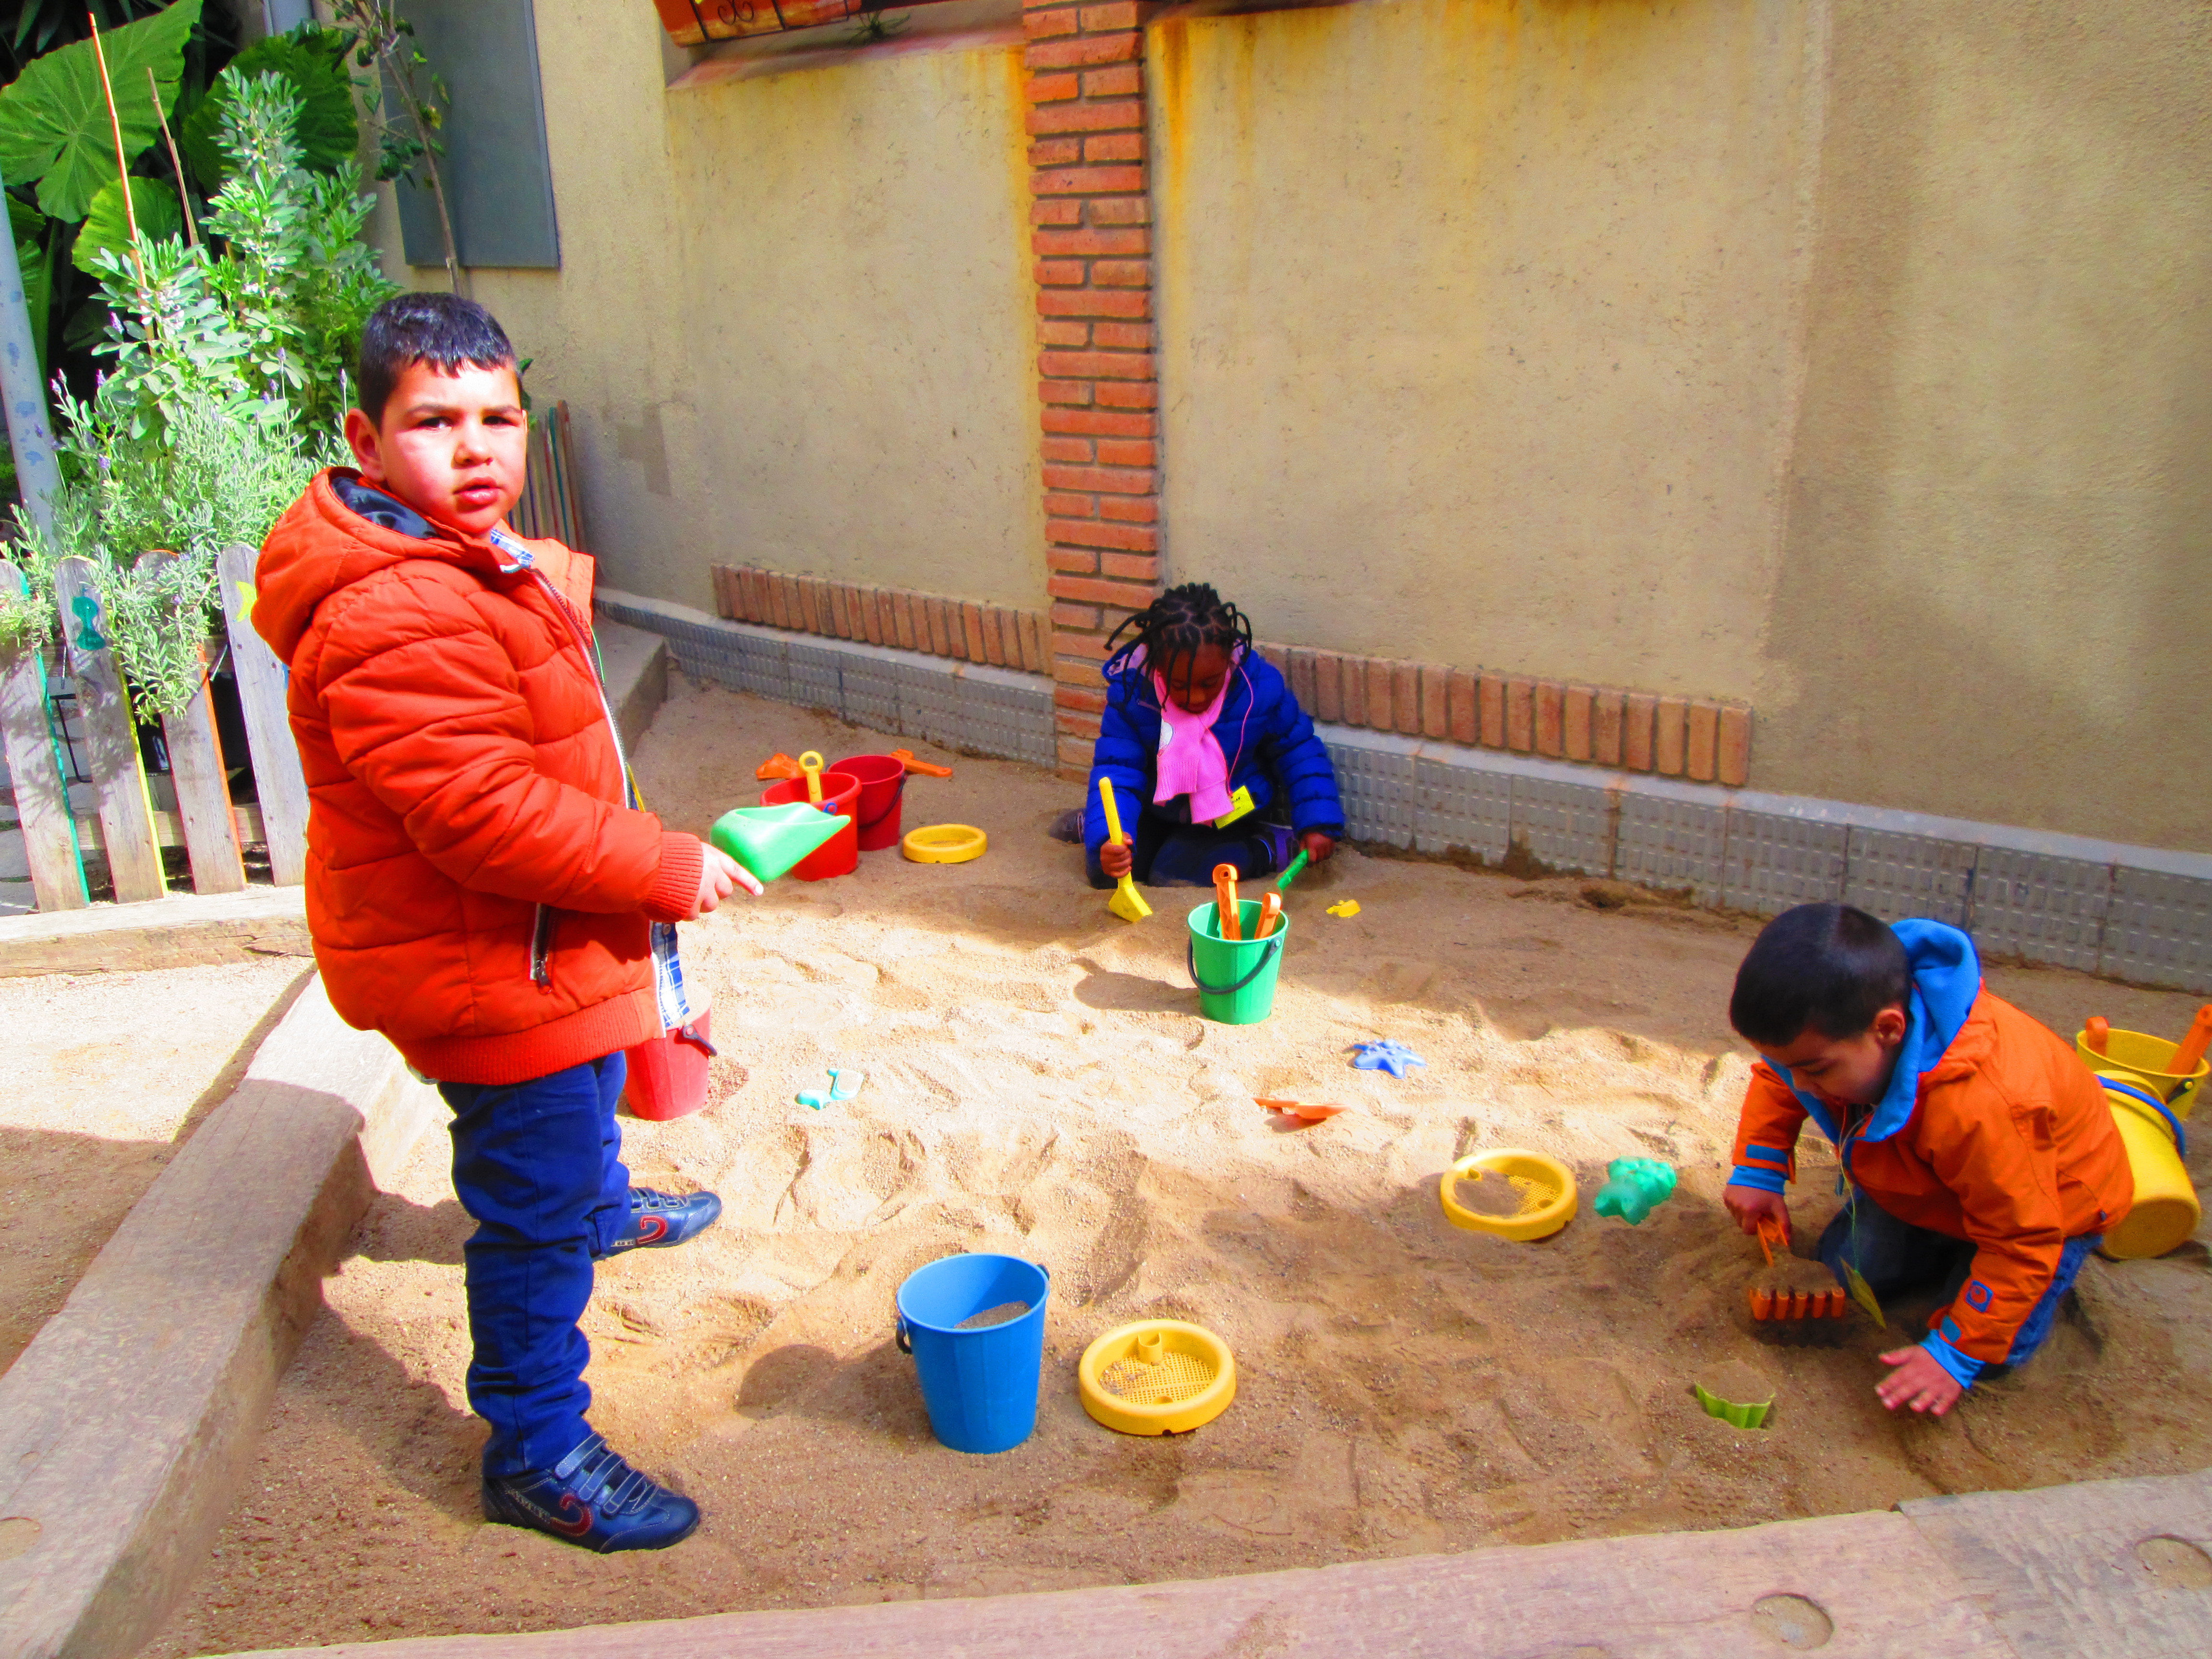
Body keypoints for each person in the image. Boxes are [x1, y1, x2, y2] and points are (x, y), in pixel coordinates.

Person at [254, 293, 757, 1551]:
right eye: (435, 422)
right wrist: (659, 864)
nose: (475, 449)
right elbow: (483, 816)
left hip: (538, 945)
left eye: (498, 418)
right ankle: (535, 1450)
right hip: (484, 965)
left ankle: (599, 1204)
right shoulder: (389, 609)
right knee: (528, 1203)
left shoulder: (464, 559)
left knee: (594, 1086)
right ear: (367, 442)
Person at [1721, 903, 2132, 1417]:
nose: (1801, 1084)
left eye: (1816, 1070)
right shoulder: (1837, 1032)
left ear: (1889, 1030)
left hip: (2052, 1206)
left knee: (1989, 1353)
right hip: (1932, 1178)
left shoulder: (1982, 1108)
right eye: (1792, 1067)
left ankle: (2011, 1281)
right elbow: (1780, 1077)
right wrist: (1760, 1168)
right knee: (1845, 1276)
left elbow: (2023, 1237)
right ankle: (1949, 1251)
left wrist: (1955, 1354)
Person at [1075, 583, 1345, 889]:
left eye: (1209, 683)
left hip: (1230, 811)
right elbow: (1118, 771)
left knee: (1173, 875)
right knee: (1109, 872)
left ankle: (1268, 847)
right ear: (1157, 665)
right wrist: (1109, 837)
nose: (1196, 697)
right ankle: (1091, 826)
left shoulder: (1258, 687)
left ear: (1229, 658)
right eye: (1179, 685)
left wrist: (1318, 821)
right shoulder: (1133, 694)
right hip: (1159, 809)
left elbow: (1299, 751)